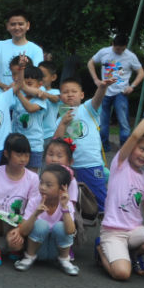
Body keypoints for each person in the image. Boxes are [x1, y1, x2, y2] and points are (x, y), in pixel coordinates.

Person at [96, 108, 144, 281]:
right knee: (122, 274)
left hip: (135, 231)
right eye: (142, 149)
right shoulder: (120, 164)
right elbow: (136, 135)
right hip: (113, 232)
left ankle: (135, 253)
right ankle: (101, 251)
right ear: (132, 147)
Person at [0, 134, 39, 266]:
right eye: (19, 155)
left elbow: (31, 209)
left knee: (16, 242)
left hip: (19, 222)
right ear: (6, 153)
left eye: (26, 155)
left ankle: (16, 248)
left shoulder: (33, 178)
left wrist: (20, 229)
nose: (23, 159)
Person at [53, 77, 112, 210]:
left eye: (74, 91)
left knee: (100, 197)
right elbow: (56, 142)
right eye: (65, 92)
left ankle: (105, 217)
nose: (70, 94)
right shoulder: (60, 118)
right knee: (76, 199)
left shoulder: (88, 108)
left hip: (91, 163)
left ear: (82, 95)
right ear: (60, 97)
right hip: (71, 166)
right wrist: (63, 123)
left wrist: (102, 87)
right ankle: (79, 218)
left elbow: (97, 99)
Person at [12, 164, 80, 275]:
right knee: (41, 224)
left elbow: (70, 231)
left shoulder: (67, 204)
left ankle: (65, 260)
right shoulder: (35, 201)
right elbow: (23, 231)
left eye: (48, 185)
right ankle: (29, 257)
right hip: (38, 250)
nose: (42, 187)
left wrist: (64, 208)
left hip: (56, 252)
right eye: (41, 182)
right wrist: (36, 214)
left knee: (60, 226)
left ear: (62, 188)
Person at [88, 34, 144, 151]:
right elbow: (90, 63)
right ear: (113, 44)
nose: (120, 52)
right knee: (102, 123)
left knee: (123, 122)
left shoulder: (130, 56)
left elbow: (141, 73)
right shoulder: (104, 52)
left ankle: (124, 148)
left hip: (121, 93)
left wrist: (132, 86)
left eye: (122, 49)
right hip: (104, 92)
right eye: (117, 49)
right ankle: (104, 147)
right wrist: (96, 79)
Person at [0, 9, 44, 89]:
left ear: (28, 25)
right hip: (1, 95)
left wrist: (14, 87)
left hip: (25, 95)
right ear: (7, 26)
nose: (17, 27)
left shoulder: (36, 50)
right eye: (13, 24)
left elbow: (36, 76)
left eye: (20, 24)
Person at [12, 65, 47, 169]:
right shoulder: (15, 98)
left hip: (34, 145)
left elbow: (30, 108)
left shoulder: (41, 99)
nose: (28, 80)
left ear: (40, 84)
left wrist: (19, 93)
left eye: (31, 82)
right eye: (26, 79)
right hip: (17, 144)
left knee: (33, 175)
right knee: (18, 173)